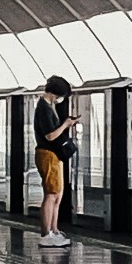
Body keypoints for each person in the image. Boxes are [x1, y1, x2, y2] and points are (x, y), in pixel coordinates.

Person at [33, 73, 80, 249]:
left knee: (57, 193)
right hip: (47, 153)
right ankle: (46, 234)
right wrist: (65, 125)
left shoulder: (48, 106)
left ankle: (54, 230)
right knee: (51, 193)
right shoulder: (44, 107)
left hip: (54, 154)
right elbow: (50, 135)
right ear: (55, 94)